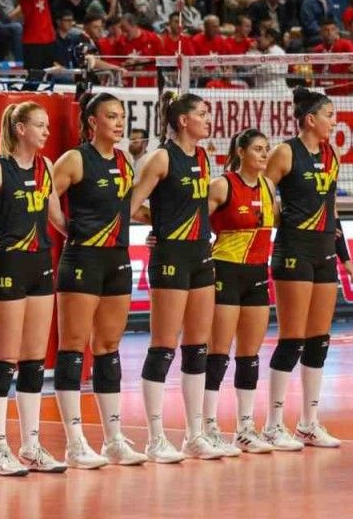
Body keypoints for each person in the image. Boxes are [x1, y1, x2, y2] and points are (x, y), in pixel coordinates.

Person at [0, 103, 69, 475]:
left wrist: (94, 237)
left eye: (47, 125)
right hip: (9, 267)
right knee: (4, 359)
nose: (46, 131)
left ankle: (31, 445)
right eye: (39, 125)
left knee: (34, 361)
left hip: (41, 265)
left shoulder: (46, 167)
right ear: (20, 128)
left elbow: (56, 218)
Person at [261, 88, 353, 449]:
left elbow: (331, 209)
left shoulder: (332, 155)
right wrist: (278, 219)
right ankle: (273, 424)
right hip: (294, 250)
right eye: (330, 115)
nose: (334, 122)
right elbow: (260, 195)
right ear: (310, 119)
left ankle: (308, 423)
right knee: (292, 338)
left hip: (323, 252)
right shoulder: (285, 152)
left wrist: (345, 257)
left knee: (319, 339)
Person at [126, 93, 226, 462]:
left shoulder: (202, 157)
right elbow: (130, 204)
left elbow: (189, 206)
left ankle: (194, 435)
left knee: (198, 346)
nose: (208, 119)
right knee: (163, 345)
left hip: (201, 254)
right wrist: (157, 227)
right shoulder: (161, 158)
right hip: (171, 258)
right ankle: (155, 439)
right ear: (183, 120)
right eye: (202, 113)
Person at [48, 93, 146, 469]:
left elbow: (126, 208)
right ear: (92, 122)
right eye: (111, 116)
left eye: (122, 116)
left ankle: (113, 439)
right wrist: (65, 228)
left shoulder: (123, 161)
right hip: (82, 258)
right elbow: (45, 195)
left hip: (116, 259)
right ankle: (75, 443)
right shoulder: (75, 159)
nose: (119, 123)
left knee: (108, 347)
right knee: (73, 346)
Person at [203, 128, 279, 454]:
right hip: (226, 270)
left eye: (267, 149)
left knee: (249, 354)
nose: (264, 154)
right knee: (218, 352)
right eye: (258, 149)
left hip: (258, 273)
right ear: (241, 152)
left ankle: (245, 428)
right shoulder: (223, 185)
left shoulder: (268, 186)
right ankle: (207, 426)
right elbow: (194, 224)